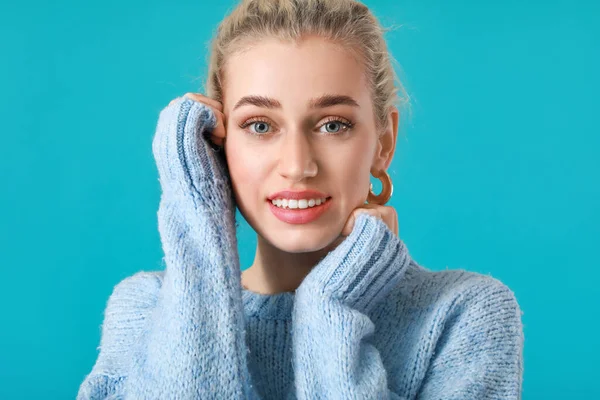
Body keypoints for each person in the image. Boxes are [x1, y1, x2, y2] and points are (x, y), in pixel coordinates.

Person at [77, 0, 524, 398]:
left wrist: (332, 307)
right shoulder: (146, 308)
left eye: (333, 124)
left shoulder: (463, 315)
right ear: (217, 144)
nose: (297, 165)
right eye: (259, 126)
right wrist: (196, 208)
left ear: (384, 142)